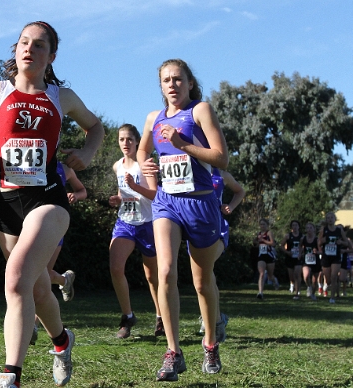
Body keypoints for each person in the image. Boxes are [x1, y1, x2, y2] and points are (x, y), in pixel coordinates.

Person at [0, 21, 104, 388]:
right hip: (5, 203)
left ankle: (11, 376)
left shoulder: (61, 96)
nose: (29, 49)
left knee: (16, 278)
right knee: (36, 289)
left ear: (51, 56)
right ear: (15, 48)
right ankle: (62, 341)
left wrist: (86, 152)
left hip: (48, 199)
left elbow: (96, 127)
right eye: (24, 43)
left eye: (39, 45)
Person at [137, 58, 229, 380]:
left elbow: (221, 158)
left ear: (190, 83)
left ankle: (210, 343)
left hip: (201, 205)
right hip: (167, 203)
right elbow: (142, 152)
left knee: (202, 283)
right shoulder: (153, 117)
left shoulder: (200, 110)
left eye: (178, 79)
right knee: (164, 272)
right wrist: (147, 168)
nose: (172, 85)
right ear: (160, 86)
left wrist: (183, 144)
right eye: (166, 80)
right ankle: (174, 352)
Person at [107, 124, 161, 339]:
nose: (125, 143)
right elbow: (123, 192)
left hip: (148, 223)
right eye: (121, 139)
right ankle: (127, 316)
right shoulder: (117, 166)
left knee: (153, 276)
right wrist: (118, 199)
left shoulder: (144, 165)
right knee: (115, 267)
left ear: (137, 141)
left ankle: (160, 317)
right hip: (125, 223)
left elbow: (155, 195)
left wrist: (135, 187)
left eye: (129, 139)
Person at [31, 161, 86, 346]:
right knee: (39, 275)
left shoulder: (65, 169)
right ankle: (64, 280)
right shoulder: (31, 161)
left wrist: (75, 196)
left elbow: (82, 191)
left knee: (40, 275)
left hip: (55, 224)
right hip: (31, 224)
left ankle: (32, 326)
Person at [198, 167, 244, 335]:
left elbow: (240, 191)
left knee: (206, 267)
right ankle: (216, 319)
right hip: (197, 227)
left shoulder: (223, 175)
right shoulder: (193, 169)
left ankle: (213, 319)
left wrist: (230, 207)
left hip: (218, 227)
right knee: (205, 273)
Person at [318, 212, 347, 304]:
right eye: (328, 218)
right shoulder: (324, 229)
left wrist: (341, 242)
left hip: (336, 256)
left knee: (334, 276)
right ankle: (328, 287)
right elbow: (318, 243)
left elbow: (346, 243)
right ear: (326, 220)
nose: (330, 219)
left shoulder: (339, 230)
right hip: (326, 256)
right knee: (329, 279)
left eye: (331, 217)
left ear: (335, 219)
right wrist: (322, 241)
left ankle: (332, 297)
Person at [254, 219, 279, 299]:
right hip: (261, 255)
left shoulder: (269, 233)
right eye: (261, 224)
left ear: (267, 225)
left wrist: (263, 240)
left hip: (269, 255)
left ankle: (274, 280)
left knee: (270, 275)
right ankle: (260, 293)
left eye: (264, 224)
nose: (262, 226)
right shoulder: (259, 234)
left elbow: (273, 243)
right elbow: (257, 245)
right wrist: (256, 242)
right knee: (261, 273)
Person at [280, 220, 303, 300]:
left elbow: (304, 246)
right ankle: (292, 284)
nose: (295, 227)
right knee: (292, 276)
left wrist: (301, 253)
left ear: (299, 226)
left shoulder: (302, 236)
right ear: (291, 227)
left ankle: (298, 290)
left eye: (296, 225)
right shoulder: (288, 236)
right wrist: (287, 252)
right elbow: (281, 245)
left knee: (297, 274)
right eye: (293, 225)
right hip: (290, 257)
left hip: (298, 258)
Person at [300, 222, 320, 301]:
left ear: (314, 229)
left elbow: (321, 251)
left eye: (311, 228)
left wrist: (317, 252)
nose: (309, 230)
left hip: (315, 261)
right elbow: (300, 246)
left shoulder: (317, 240)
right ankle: (309, 286)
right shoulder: (303, 239)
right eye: (307, 228)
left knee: (315, 280)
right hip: (306, 260)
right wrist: (299, 253)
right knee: (306, 276)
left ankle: (313, 294)